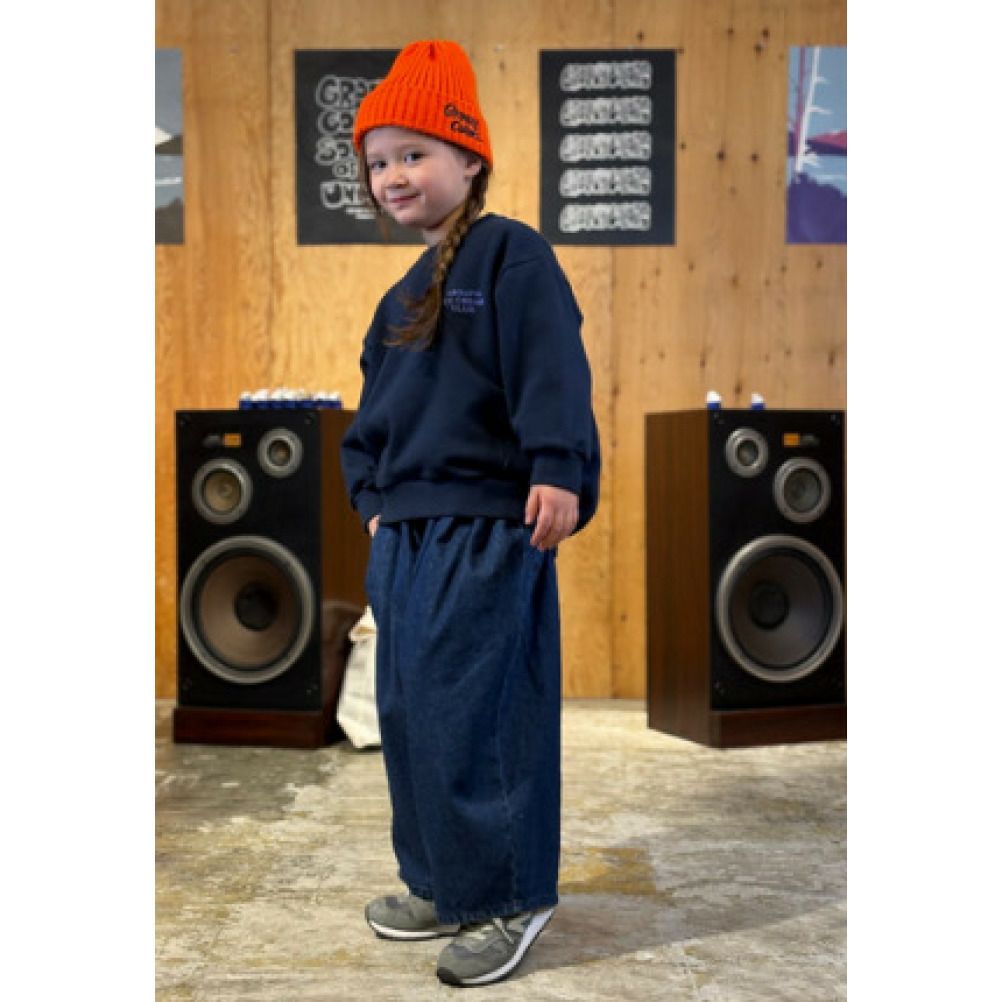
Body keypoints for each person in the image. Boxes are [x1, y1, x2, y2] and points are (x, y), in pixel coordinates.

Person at [340, 39, 600, 989]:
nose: (393, 175)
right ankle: (440, 881)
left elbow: (552, 365)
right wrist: (374, 506)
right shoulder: (397, 298)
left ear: (469, 158)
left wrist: (559, 466)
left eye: (413, 153)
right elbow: (371, 420)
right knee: (410, 715)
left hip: (486, 528)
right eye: (378, 161)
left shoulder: (510, 254)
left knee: (477, 717)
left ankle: (508, 895)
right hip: (407, 539)